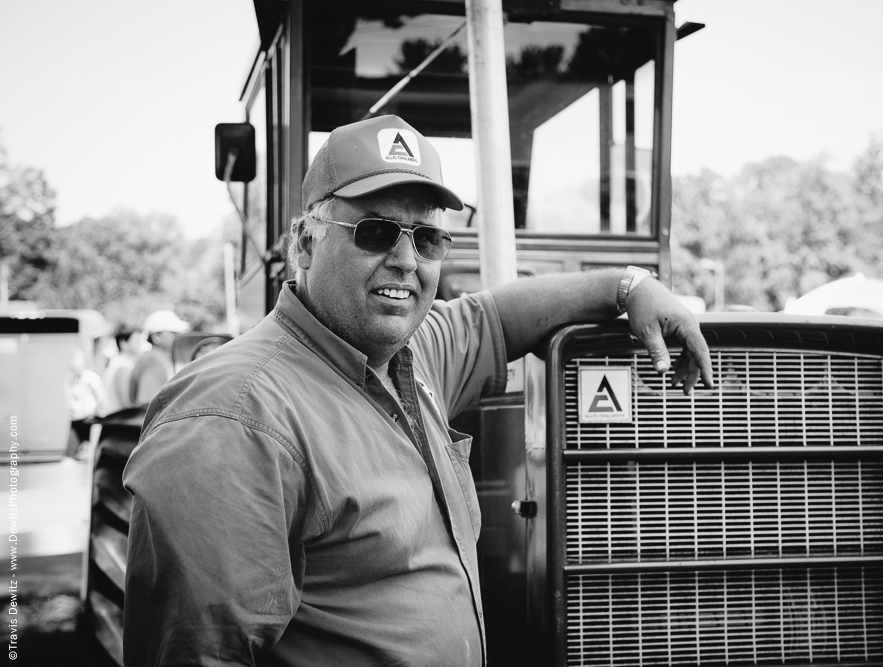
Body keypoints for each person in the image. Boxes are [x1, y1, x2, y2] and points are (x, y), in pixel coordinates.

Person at [122, 114, 714, 667]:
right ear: (304, 243)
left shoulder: (411, 356)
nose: (406, 260)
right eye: (376, 232)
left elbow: (498, 316)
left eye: (427, 240)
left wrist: (631, 286)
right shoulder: (232, 419)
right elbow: (199, 651)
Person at [128, 309, 189, 406]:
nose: (178, 336)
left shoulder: (161, 358)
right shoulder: (152, 361)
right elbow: (147, 404)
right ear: (157, 337)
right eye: (172, 333)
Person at [64, 349, 107, 459]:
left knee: (92, 452)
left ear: (85, 363)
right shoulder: (70, 378)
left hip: (89, 419)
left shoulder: (90, 377)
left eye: (80, 363)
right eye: (75, 363)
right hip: (75, 419)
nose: (77, 366)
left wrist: (95, 413)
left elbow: (101, 397)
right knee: (70, 454)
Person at [102, 326, 144, 413]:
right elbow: (127, 403)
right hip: (120, 422)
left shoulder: (117, 362)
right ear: (123, 343)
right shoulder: (123, 366)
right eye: (137, 341)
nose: (140, 345)